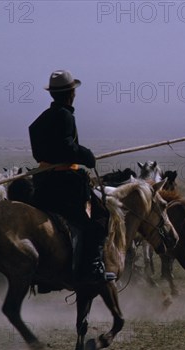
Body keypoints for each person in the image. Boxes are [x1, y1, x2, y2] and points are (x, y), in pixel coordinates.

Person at [29, 70, 115, 285]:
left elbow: (41, 152)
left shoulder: (40, 120)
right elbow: (67, 146)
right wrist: (86, 155)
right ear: (70, 94)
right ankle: (94, 267)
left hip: (43, 183)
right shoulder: (65, 115)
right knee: (100, 218)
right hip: (65, 185)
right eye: (73, 91)